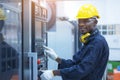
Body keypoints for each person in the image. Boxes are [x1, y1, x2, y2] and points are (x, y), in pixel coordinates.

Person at [40, 4, 109, 80]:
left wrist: (54, 72)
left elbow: (82, 69)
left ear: (95, 22)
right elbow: (75, 64)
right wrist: (56, 58)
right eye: (80, 21)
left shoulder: (97, 42)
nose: (81, 24)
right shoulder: (89, 41)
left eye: (86, 21)